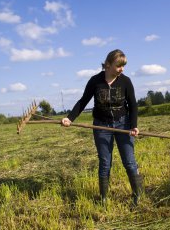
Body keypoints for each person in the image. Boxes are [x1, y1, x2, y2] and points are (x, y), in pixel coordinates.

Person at [61, 49, 143, 206]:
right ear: (108, 64)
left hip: (123, 124)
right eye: (119, 66)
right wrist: (70, 118)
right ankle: (104, 198)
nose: (122, 69)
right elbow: (83, 100)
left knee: (129, 161)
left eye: (123, 66)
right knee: (105, 162)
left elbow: (133, 105)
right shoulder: (95, 81)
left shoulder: (125, 81)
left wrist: (134, 126)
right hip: (101, 125)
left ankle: (137, 195)